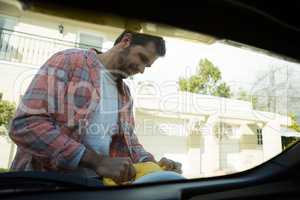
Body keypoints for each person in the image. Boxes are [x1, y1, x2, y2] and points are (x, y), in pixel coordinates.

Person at [9, 30, 184, 184]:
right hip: (45, 184)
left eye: (147, 66)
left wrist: (155, 165)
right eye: (142, 58)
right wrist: (96, 161)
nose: (141, 70)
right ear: (126, 41)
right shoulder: (69, 61)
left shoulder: (125, 94)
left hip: (96, 187)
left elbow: (130, 142)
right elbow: (25, 124)